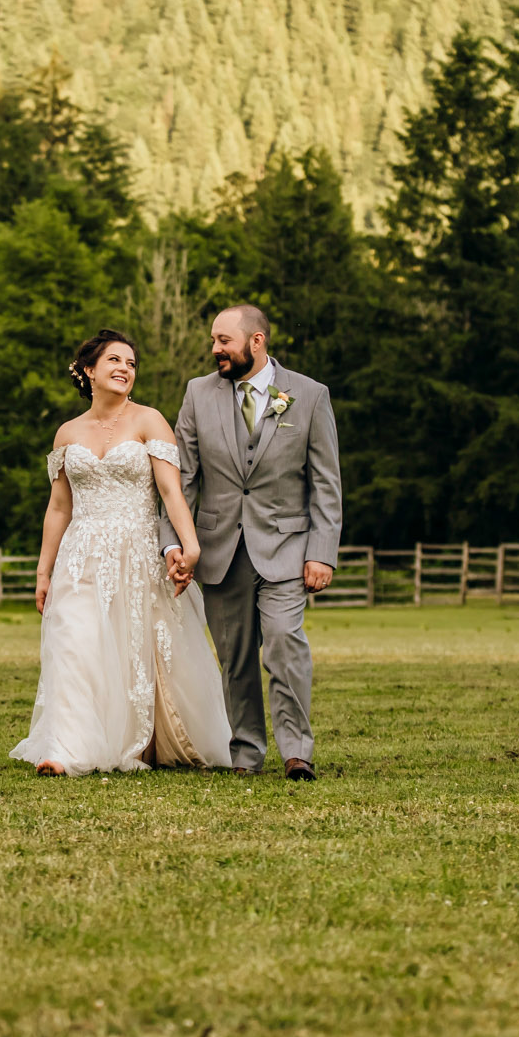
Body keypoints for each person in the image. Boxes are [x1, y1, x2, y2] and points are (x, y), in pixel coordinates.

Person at [11, 330, 233, 776]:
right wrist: (43, 571)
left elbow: (172, 492)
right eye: (114, 360)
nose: (125, 369)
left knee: (132, 650)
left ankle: (137, 738)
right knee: (75, 644)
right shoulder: (67, 432)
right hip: (81, 553)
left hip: (138, 552)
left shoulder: (150, 420)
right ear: (89, 370)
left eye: (131, 363)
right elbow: (58, 506)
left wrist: (190, 546)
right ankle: (66, 749)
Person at [159, 305, 341, 779]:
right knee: (235, 661)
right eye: (214, 340)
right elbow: (184, 481)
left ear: (256, 341)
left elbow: (325, 483)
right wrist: (173, 542)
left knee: (284, 643)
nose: (215, 349)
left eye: (224, 340)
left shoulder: (310, 395)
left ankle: (297, 752)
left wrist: (322, 551)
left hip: (286, 549)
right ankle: (246, 755)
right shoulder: (197, 394)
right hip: (219, 552)